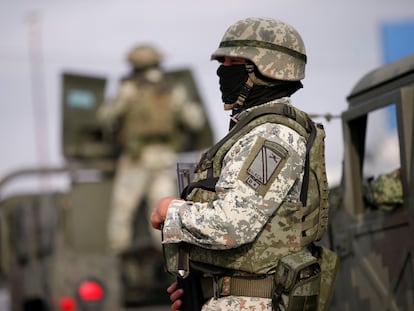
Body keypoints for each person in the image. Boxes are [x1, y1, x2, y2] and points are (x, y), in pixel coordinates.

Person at [151, 17, 337, 311]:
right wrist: (202, 288)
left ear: (264, 69)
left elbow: (233, 223)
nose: (222, 71)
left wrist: (171, 211)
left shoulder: (273, 137)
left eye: (231, 62)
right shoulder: (254, 133)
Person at [97, 44, 207, 254]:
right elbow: (195, 121)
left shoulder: (128, 90)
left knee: (122, 213)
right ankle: (170, 258)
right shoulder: (173, 90)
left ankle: (117, 255)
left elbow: (105, 117)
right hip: (165, 158)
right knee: (164, 212)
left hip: (136, 159)